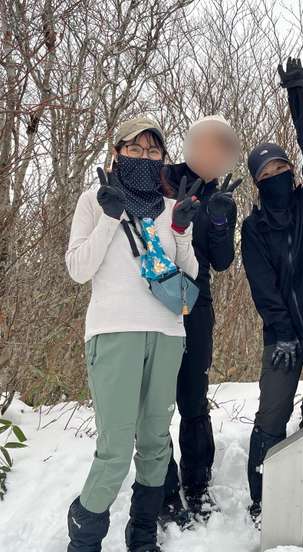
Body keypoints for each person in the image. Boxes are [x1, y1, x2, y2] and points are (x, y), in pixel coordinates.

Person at [65, 117, 200, 551]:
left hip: (167, 333)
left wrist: (180, 230)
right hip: (114, 332)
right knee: (116, 447)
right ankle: (85, 538)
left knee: (157, 442)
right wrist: (109, 217)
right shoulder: (94, 200)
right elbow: (78, 269)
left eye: (153, 151)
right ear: (117, 152)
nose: (145, 157)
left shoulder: (170, 206)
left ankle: (142, 533)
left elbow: (191, 274)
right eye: (135, 149)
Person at [242, 57, 303, 525]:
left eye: (281, 166)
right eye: (265, 172)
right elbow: (262, 286)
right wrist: (281, 332)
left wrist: (298, 98)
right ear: (257, 183)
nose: (274, 175)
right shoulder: (253, 227)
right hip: (281, 335)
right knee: (271, 415)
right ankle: (264, 500)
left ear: (292, 171)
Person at [159, 116, 242, 526]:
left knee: (193, 398)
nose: (213, 153)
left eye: (221, 147)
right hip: (153, 297)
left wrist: (222, 221)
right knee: (155, 400)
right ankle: (161, 488)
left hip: (196, 301)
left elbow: (223, 262)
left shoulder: (222, 195)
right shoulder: (162, 178)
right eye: (206, 144)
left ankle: (197, 484)